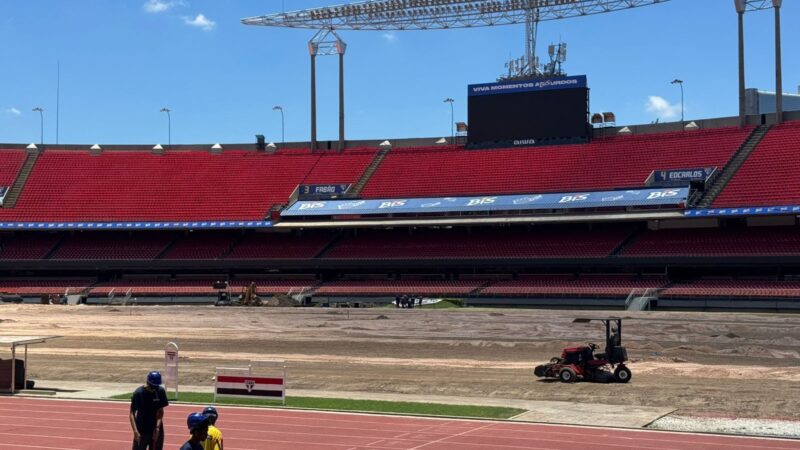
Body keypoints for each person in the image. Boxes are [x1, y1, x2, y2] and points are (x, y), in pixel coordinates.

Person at [129, 371, 169, 450]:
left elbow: (160, 411)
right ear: (148, 382)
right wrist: (135, 431)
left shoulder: (160, 391)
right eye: (153, 386)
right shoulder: (138, 393)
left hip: (156, 430)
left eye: (157, 386)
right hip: (141, 430)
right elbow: (131, 413)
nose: (155, 388)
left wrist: (157, 427)